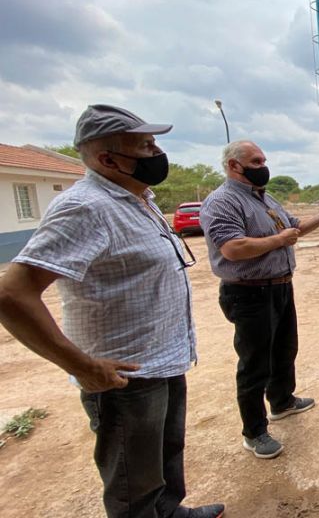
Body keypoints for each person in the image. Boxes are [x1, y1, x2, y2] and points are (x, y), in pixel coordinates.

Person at [0, 105, 224, 518]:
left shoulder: (137, 199)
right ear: (108, 159)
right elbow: (12, 295)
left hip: (163, 359)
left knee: (163, 458)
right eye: (145, 145)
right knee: (131, 483)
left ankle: (170, 512)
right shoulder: (86, 207)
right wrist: (83, 366)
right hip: (124, 377)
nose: (157, 152)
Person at [200, 140, 319, 460]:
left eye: (264, 159)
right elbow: (233, 248)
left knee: (284, 349)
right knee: (255, 364)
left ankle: (281, 401)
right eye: (255, 160)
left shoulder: (266, 198)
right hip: (249, 292)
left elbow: (294, 229)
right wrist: (279, 240)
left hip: (280, 286)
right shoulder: (221, 202)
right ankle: (254, 432)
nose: (263, 165)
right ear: (233, 166)